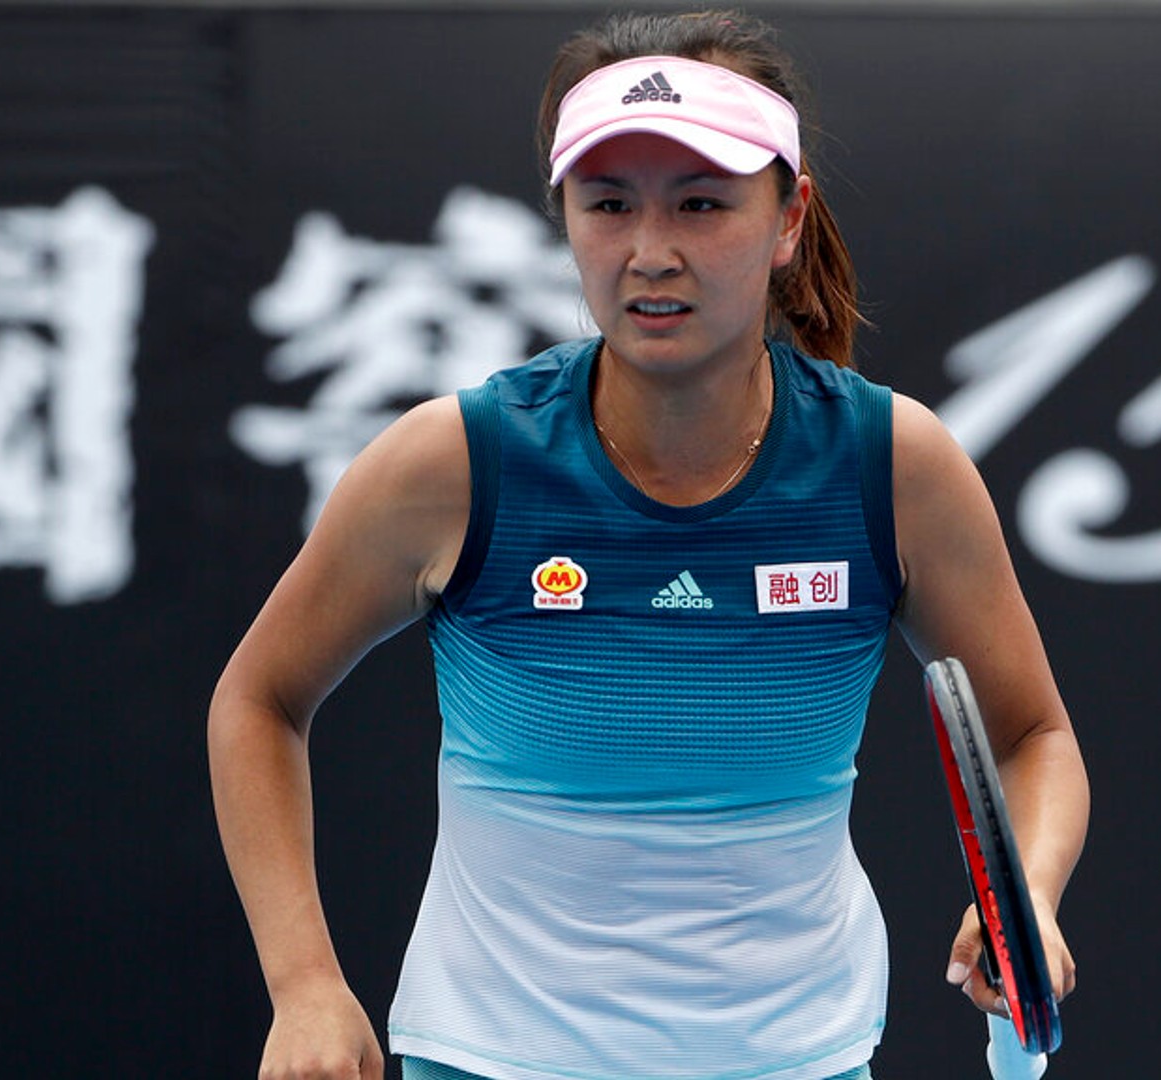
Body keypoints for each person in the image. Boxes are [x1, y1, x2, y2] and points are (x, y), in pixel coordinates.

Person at [208, 9, 1088, 1080]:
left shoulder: (894, 467)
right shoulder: (452, 463)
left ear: (788, 218)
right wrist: (303, 987)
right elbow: (259, 703)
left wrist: (1026, 898)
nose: (650, 252)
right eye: (608, 203)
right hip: (489, 1061)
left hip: (796, 1062)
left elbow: (1032, 732)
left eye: (703, 203)